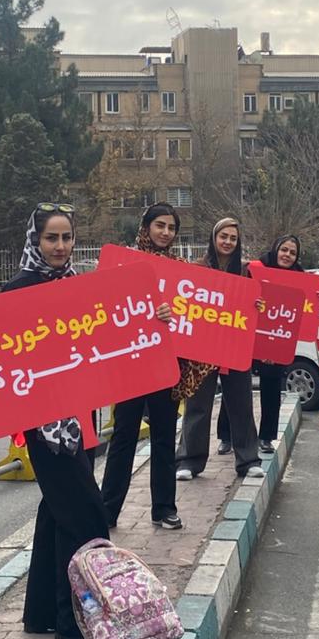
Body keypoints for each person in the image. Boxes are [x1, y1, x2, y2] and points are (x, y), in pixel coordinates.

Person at [0, 203, 110, 639]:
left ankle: (41, 614)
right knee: (85, 514)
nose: (60, 246)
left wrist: (154, 318)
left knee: (55, 513)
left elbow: (112, 336)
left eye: (67, 237)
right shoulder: (16, 291)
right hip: (45, 430)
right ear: (35, 240)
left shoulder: (81, 287)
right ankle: (72, 625)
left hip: (81, 420)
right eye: (51, 238)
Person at [101, 203, 210, 531]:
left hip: (166, 365)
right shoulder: (124, 263)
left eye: (171, 227)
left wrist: (172, 315)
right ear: (146, 226)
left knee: (164, 437)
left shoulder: (182, 270)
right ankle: (107, 511)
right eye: (160, 225)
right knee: (124, 437)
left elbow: (202, 311)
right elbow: (108, 308)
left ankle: (164, 508)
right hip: (131, 364)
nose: (165, 232)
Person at [175, 218, 264, 481]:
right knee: (197, 405)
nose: (227, 242)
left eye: (233, 238)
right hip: (202, 349)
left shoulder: (246, 272)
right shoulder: (198, 269)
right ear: (214, 238)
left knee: (241, 403)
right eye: (223, 236)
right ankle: (189, 460)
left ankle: (248, 460)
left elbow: (256, 302)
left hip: (235, 347)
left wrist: (257, 305)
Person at [217, 234, 304, 455]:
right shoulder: (255, 269)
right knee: (235, 388)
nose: (287, 255)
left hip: (275, 340)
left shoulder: (301, 279)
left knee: (272, 390)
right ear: (276, 249)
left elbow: (306, 312)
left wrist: (317, 300)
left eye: (292, 253)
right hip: (246, 337)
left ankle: (266, 438)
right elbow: (239, 294)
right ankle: (226, 436)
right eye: (284, 250)